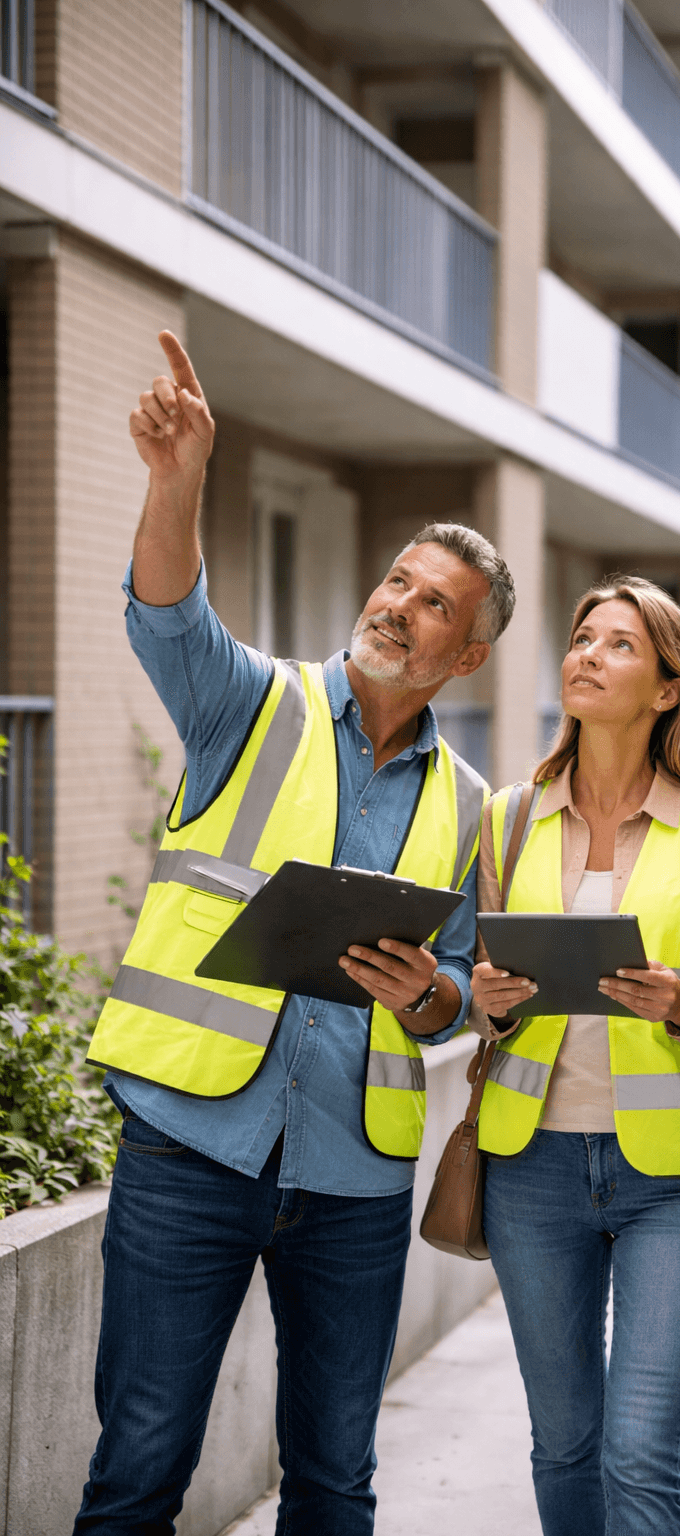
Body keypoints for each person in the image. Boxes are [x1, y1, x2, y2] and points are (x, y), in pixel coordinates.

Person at [75, 331, 515, 1534]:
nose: (401, 609)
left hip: (353, 1178)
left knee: (335, 1478)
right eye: (396, 583)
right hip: (189, 1146)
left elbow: (458, 997)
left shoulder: (473, 806)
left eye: (435, 606)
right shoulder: (248, 701)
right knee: (139, 1469)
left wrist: (427, 996)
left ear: (465, 656)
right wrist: (179, 481)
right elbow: (165, 609)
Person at [471, 575, 680, 1536]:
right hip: (532, 1170)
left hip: (676, 1176)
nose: (586, 653)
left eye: (620, 644)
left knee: (639, 1451)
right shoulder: (509, 817)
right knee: (566, 1445)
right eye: (583, 636)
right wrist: (490, 1002)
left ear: (670, 687)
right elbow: (475, 988)